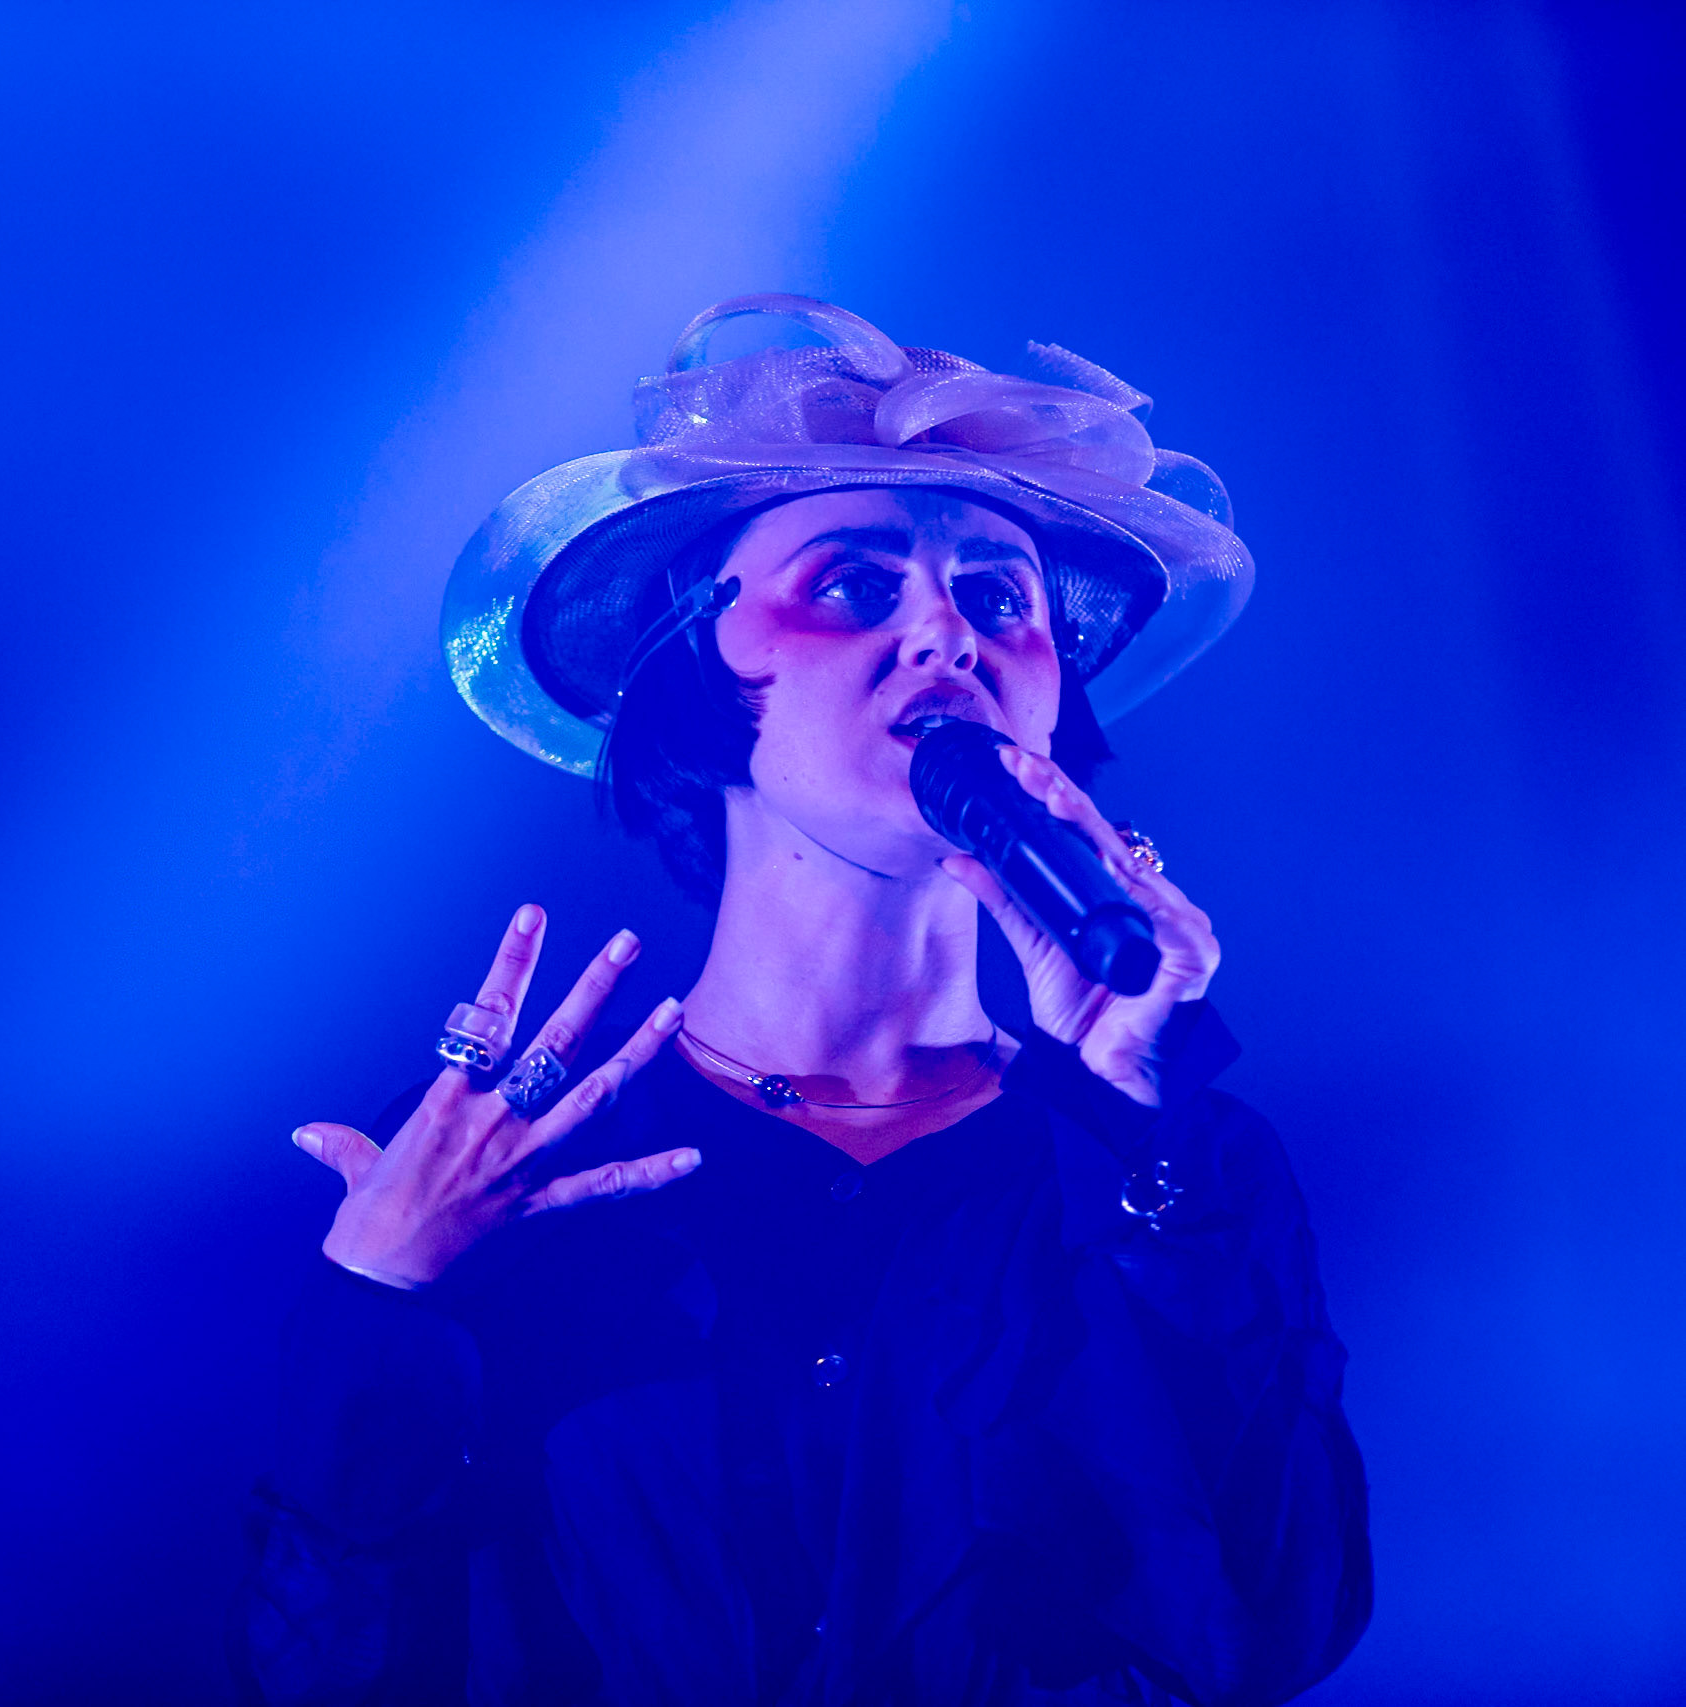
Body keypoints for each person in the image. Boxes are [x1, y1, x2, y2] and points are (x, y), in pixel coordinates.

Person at [234, 296, 1371, 1706]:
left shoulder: (1177, 1169)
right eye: (853, 583)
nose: (947, 635)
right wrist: (378, 1304)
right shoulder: (508, 1167)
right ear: (705, 668)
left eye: (1002, 599)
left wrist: (1142, 1136)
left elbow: (1267, 1636)